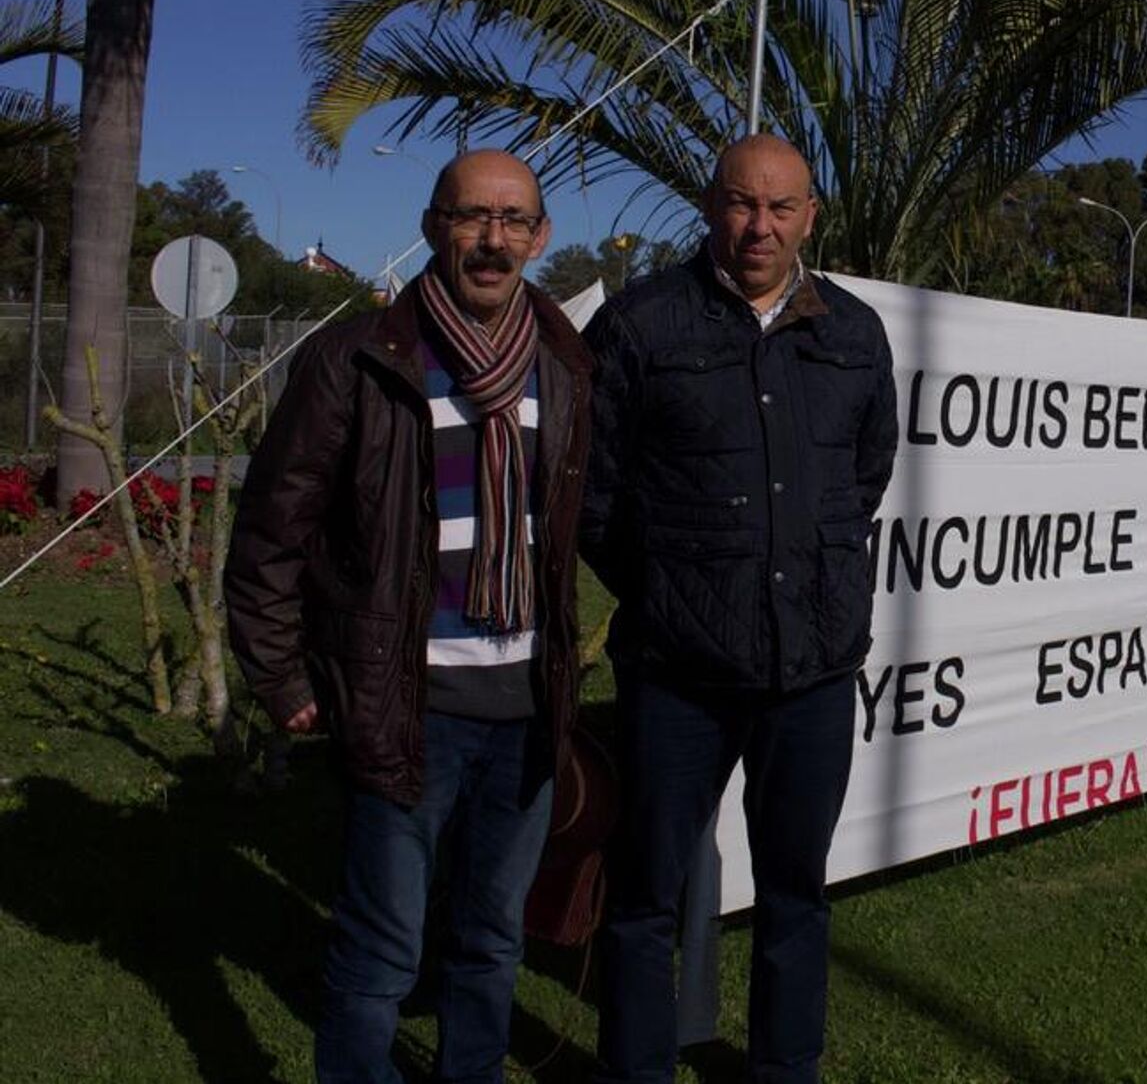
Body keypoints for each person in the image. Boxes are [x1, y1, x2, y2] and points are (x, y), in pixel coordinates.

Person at [226, 149, 594, 1083]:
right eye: (473, 216)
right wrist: (281, 675)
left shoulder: (564, 364)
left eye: (514, 221)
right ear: (433, 226)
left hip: (526, 710)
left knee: (490, 942)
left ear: (541, 238)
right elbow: (271, 528)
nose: (493, 239)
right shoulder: (357, 359)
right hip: (404, 709)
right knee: (380, 953)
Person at [582, 134, 898, 1083]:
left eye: (781, 208)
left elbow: (863, 476)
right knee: (645, 896)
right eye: (740, 204)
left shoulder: (852, 332)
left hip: (810, 673)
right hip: (675, 677)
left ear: (810, 215)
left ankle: (782, 1068)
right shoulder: (641, 327)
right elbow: (593, 496)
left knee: (796, 893)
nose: (759, 227)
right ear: (711, 206)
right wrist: (673, 589)